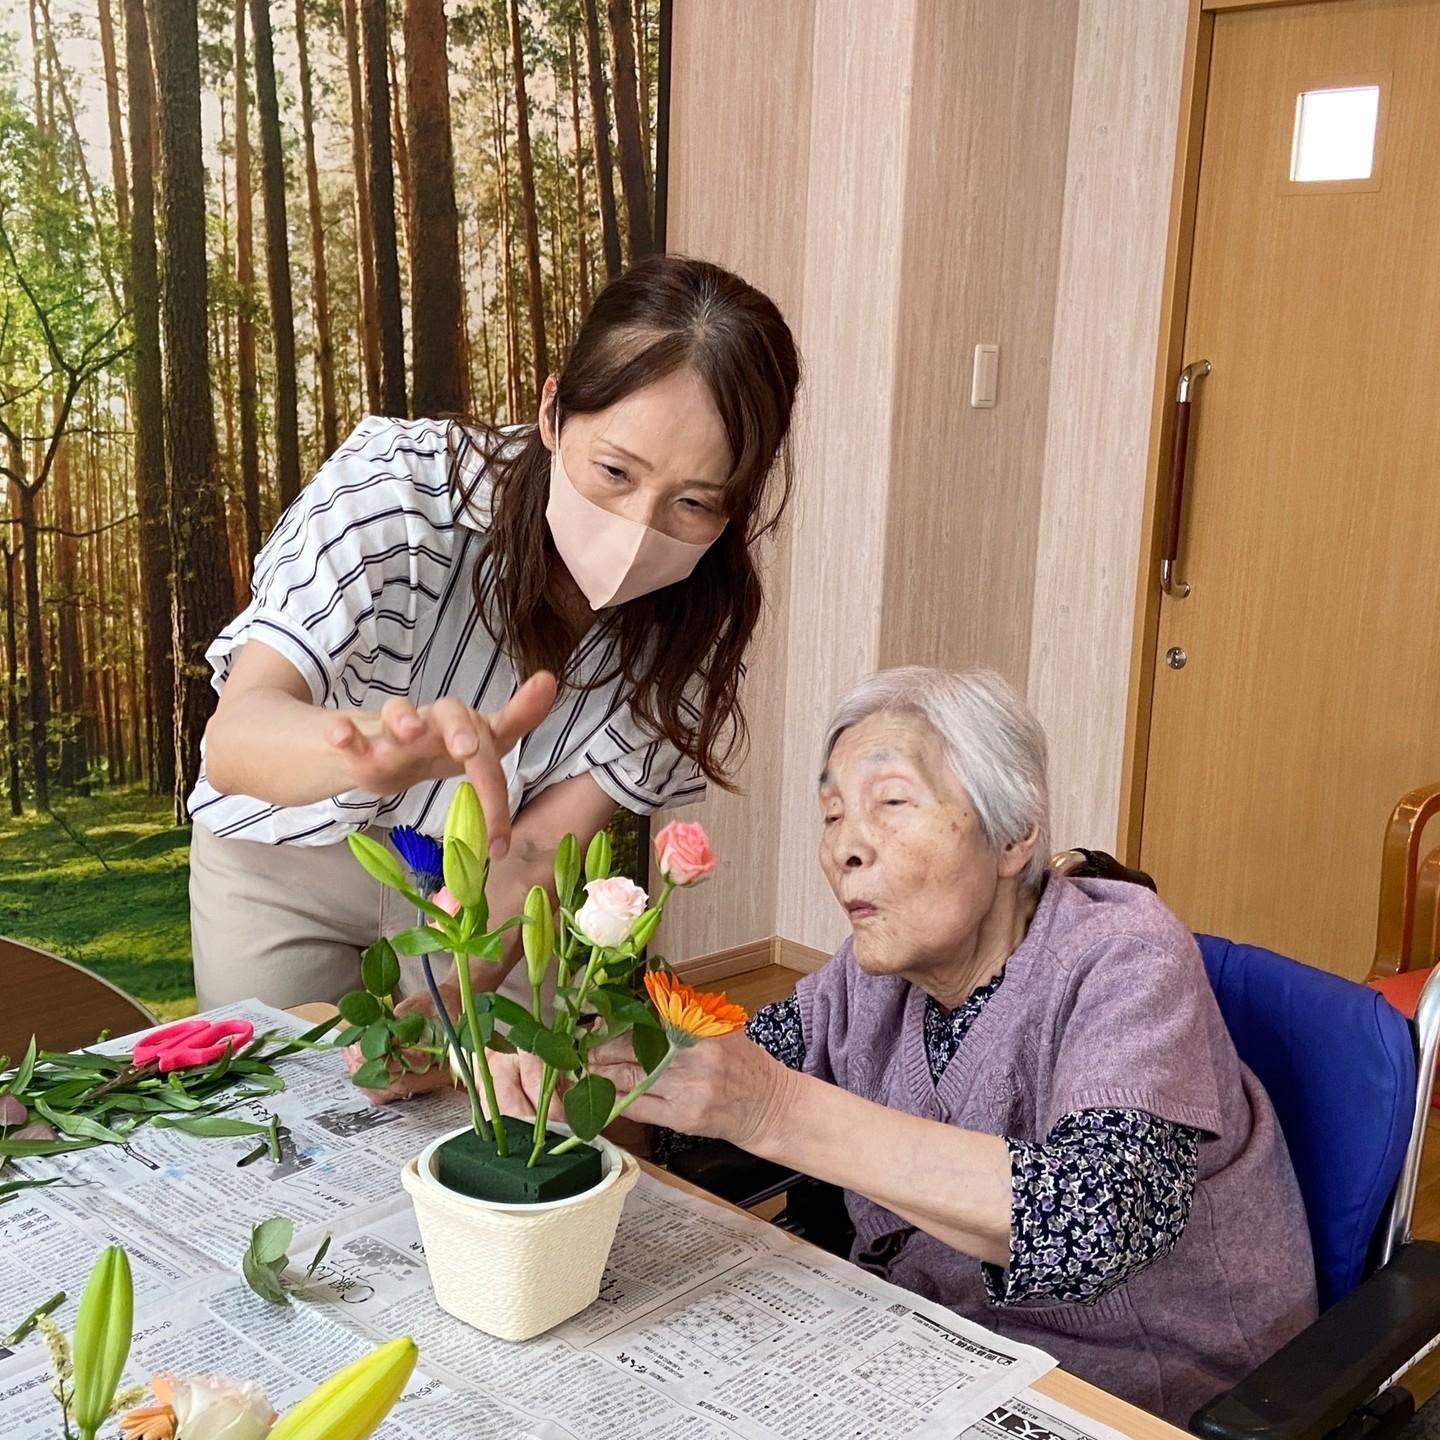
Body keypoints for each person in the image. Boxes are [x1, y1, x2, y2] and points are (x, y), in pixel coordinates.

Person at [492, 667, 1319, 1423]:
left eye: (891, 803)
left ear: (1012, 835)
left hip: (1128, 1392)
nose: (846, 846)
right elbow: (707, 1097)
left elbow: (1090, 1224)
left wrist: (773, 1108)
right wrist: (576, 1091)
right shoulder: (872, 978)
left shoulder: (1125, 956)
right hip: (928, 1355)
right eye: (832, 814)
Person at [190, 255, 801, 1043]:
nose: (638, 528)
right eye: (615, 470)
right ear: (553, 413)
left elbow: (542, 846)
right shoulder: (402, 490)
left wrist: (450, 1013)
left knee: (479, 1116)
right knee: (278, 1123)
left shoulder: (697, 626)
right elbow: (235, 738)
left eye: (692, 503)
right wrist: (364, 755)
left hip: (482, 879)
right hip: (283, 853)